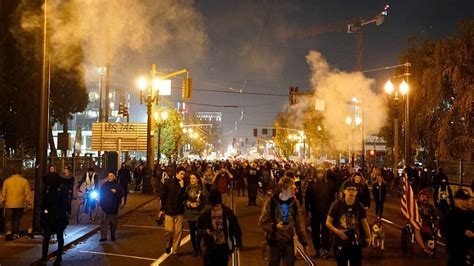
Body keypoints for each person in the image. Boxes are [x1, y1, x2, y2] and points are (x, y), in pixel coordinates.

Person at [259, 176, 309, 266]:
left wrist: (304, 243)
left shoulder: (294, 203)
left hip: (288, 242)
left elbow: (299, 225)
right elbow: (262, 223)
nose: (295, 189)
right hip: (274, 242)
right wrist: (275, 226)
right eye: (292, 188)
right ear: (283, 189)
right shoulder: (271, 202)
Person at [326, 181, 371, 266]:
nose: (351, 192)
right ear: (344, 191)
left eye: (353, 190)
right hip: (340, 241)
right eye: (349, 189)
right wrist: (338, 231)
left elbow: (364, 222)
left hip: (355, 241)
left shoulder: (358, 206)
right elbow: (328, 222)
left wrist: (369, 236)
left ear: (356, 192)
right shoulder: (337, 205)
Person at [198, 188, 242, 266]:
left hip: (223, 247)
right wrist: (206, 232)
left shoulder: (228, 212)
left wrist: (238, 241)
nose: (216, 208)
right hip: (209, 248)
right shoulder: (205, 213)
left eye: (217, 205)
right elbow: (198, 230)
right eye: (213, 206)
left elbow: (235, 227)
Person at [41, 166, 69, 265]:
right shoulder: (49, 189)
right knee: (53, 237)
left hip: (56, 217)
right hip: (53, 217)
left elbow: (64, 203)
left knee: (54, 237)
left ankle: (56, 257)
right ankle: (48, 258)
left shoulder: (59, 189)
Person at [305, 167, 332, 258]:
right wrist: (307, 210)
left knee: (325, 231)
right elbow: (307, 198)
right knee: (315, 231)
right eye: (319, 173)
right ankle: (317, 249)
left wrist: (331, 211)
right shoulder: (311, 184)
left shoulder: (328, 184)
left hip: (326, 211)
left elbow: (331, 198)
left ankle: (325, 249)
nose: (320, 175)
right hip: (314, 211)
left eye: (322, 173)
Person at [159, 166, 186, 257]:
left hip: (179, 211)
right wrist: (162, 209)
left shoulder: (184, 184)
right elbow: (162, 196)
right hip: (169, 210)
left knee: (178, 232)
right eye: (181, 174)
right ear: (176, 174)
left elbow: (184, 198)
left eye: (183, 174)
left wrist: (182, 188)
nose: (182, 176)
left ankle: (175, 251)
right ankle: (168, 245)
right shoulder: (168, 183)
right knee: (169, 230)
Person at [442, 189, 474, 266]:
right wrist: (463, 232)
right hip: (457, 254)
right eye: (464, 199)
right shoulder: (451, 215)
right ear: (457, 200)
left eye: (468, 199)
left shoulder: (472, 214)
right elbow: (446, 232)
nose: (467, 201)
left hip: (471, 253)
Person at [1, 169, 32, 241]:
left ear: (12, 172)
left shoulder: (7, 181)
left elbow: (3, 193)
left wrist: (2, 201)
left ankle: (8, 233)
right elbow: (27, 193)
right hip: (20, 204)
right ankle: (15, 233)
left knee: (8, 219)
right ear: (20, 173)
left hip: (9, 204)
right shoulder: (24, 181)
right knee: (17, 219)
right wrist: (28, 203)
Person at [183, 172, 208, 257]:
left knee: (199, 232)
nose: (191, 180)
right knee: (192, 232)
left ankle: (199, 247)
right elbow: (184, 199)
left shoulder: (202, 188)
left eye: (193, 178)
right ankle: (195, 249)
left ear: (197, 179)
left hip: (199, 212)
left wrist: (200, 204)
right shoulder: (187, 188)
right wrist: (189, 204)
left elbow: (206, 200)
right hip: (190, 213)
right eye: (190, 178)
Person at [99, 172, 124, 242]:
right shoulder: (104, 185)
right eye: (109, 176)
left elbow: (121, 194)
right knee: (104, 222)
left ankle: (113, 235)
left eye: (111, 176)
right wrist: (101, 203)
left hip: (113, 207)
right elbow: (101, 194)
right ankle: (103, 236)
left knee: (113, 223)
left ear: (114, 177)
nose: (109, 177)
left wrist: (116, 192)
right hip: (105, 207)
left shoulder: (117, 185)